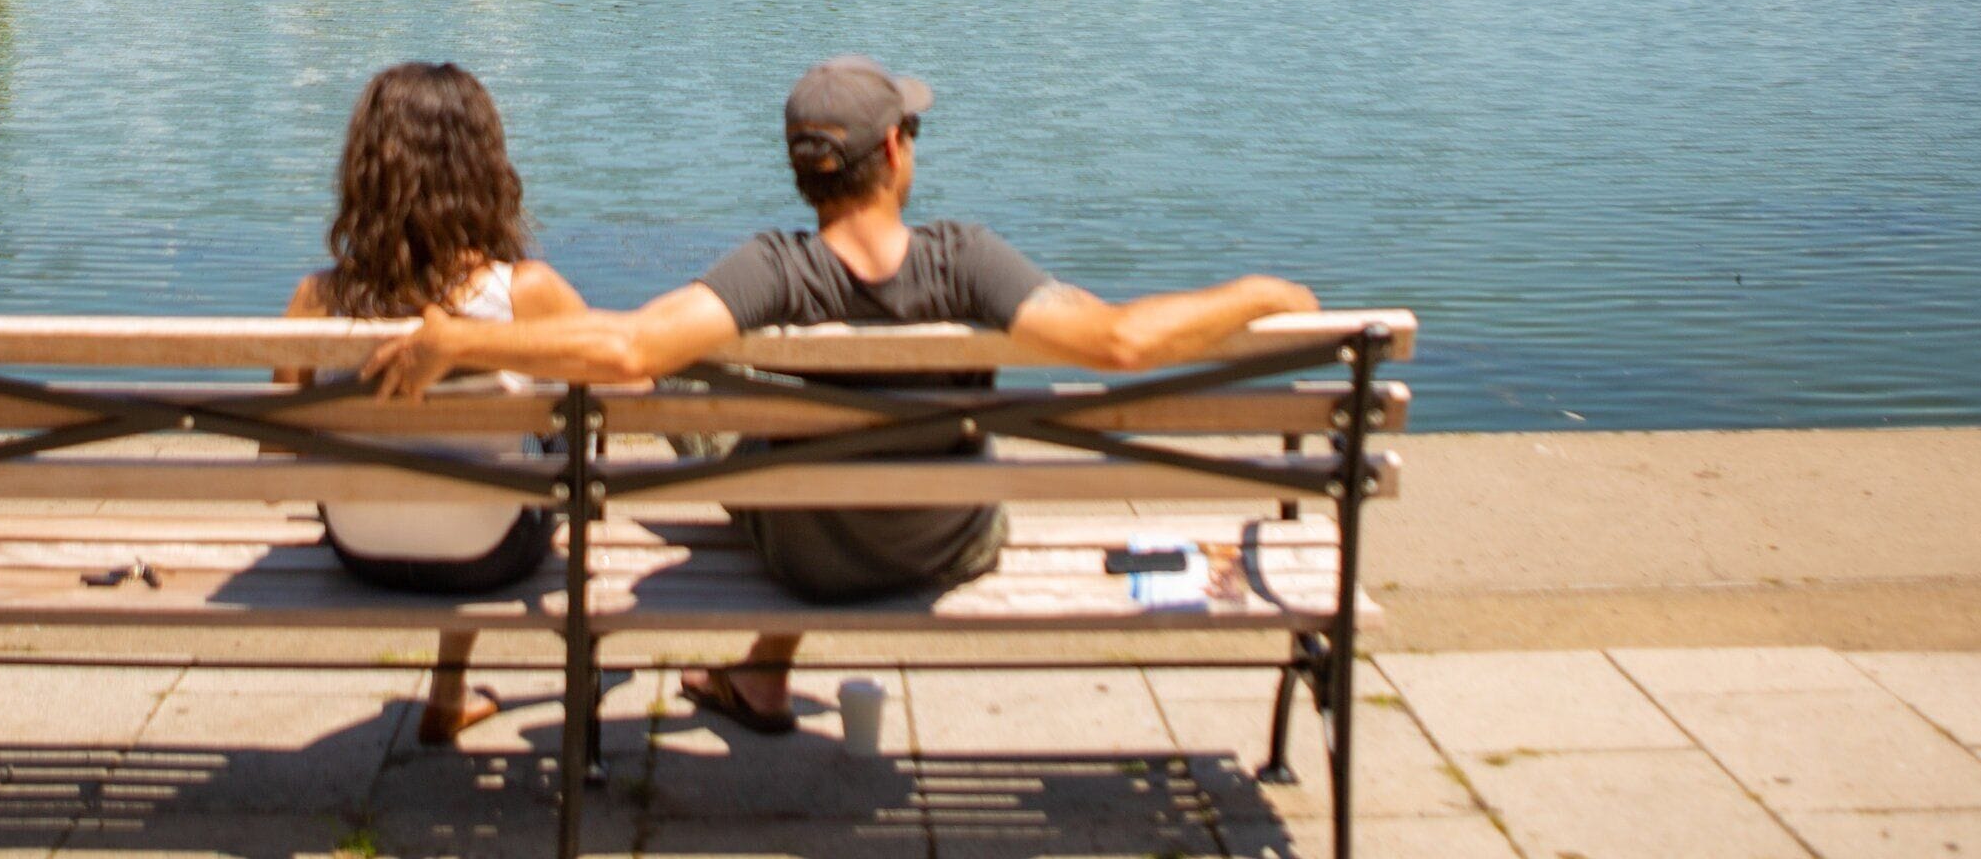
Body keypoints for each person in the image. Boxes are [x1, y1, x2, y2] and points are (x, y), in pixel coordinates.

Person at [359, 54, 1320, 734]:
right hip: (947, 544)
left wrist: (457, 339)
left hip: (804, 552)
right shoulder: (969, 261)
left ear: (802, 169)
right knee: (843, 435)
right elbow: (1122, 340)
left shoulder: (769, 269)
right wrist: (1262, 293)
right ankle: (765, 672)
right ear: (896, 152)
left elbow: (628, 351)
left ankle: (764, 670)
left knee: (715, 405)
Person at [285, 61, 587, 745]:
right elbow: (633, 385)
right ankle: (449, 690)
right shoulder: (527, 294)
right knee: (536, 445)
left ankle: (449, 695)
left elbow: (279, 452)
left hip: (359, 545)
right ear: (483, 168)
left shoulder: (315, 300)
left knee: (447, 461)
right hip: (493, 548)